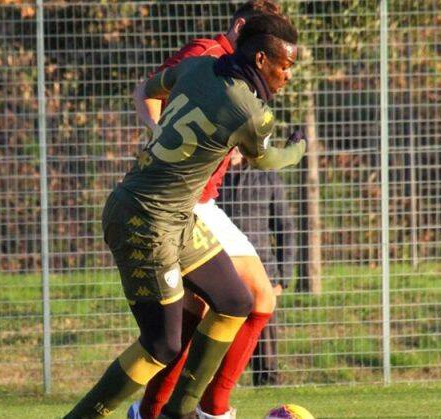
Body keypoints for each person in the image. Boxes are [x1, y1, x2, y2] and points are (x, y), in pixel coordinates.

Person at [65, 12, 305, 419]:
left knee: (235, 300)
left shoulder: (196, 67)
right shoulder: (251, 112)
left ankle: (181, 412)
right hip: (146, 222)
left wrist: (159, 133)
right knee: (162, 345)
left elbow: (151, 87)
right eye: (286, 65)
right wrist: (299, 146)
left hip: (174, 216)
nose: (287, 76)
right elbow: (267, 159)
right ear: (262, 60)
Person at [217, 149, 297, 387]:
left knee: (265, 332)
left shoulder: (267, 177)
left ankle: (268, 382)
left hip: (263, 269)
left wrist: (283, 277)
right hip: (221, 268)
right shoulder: (212, 177)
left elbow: (286, 229)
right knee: (219, 330)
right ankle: (217, 386)